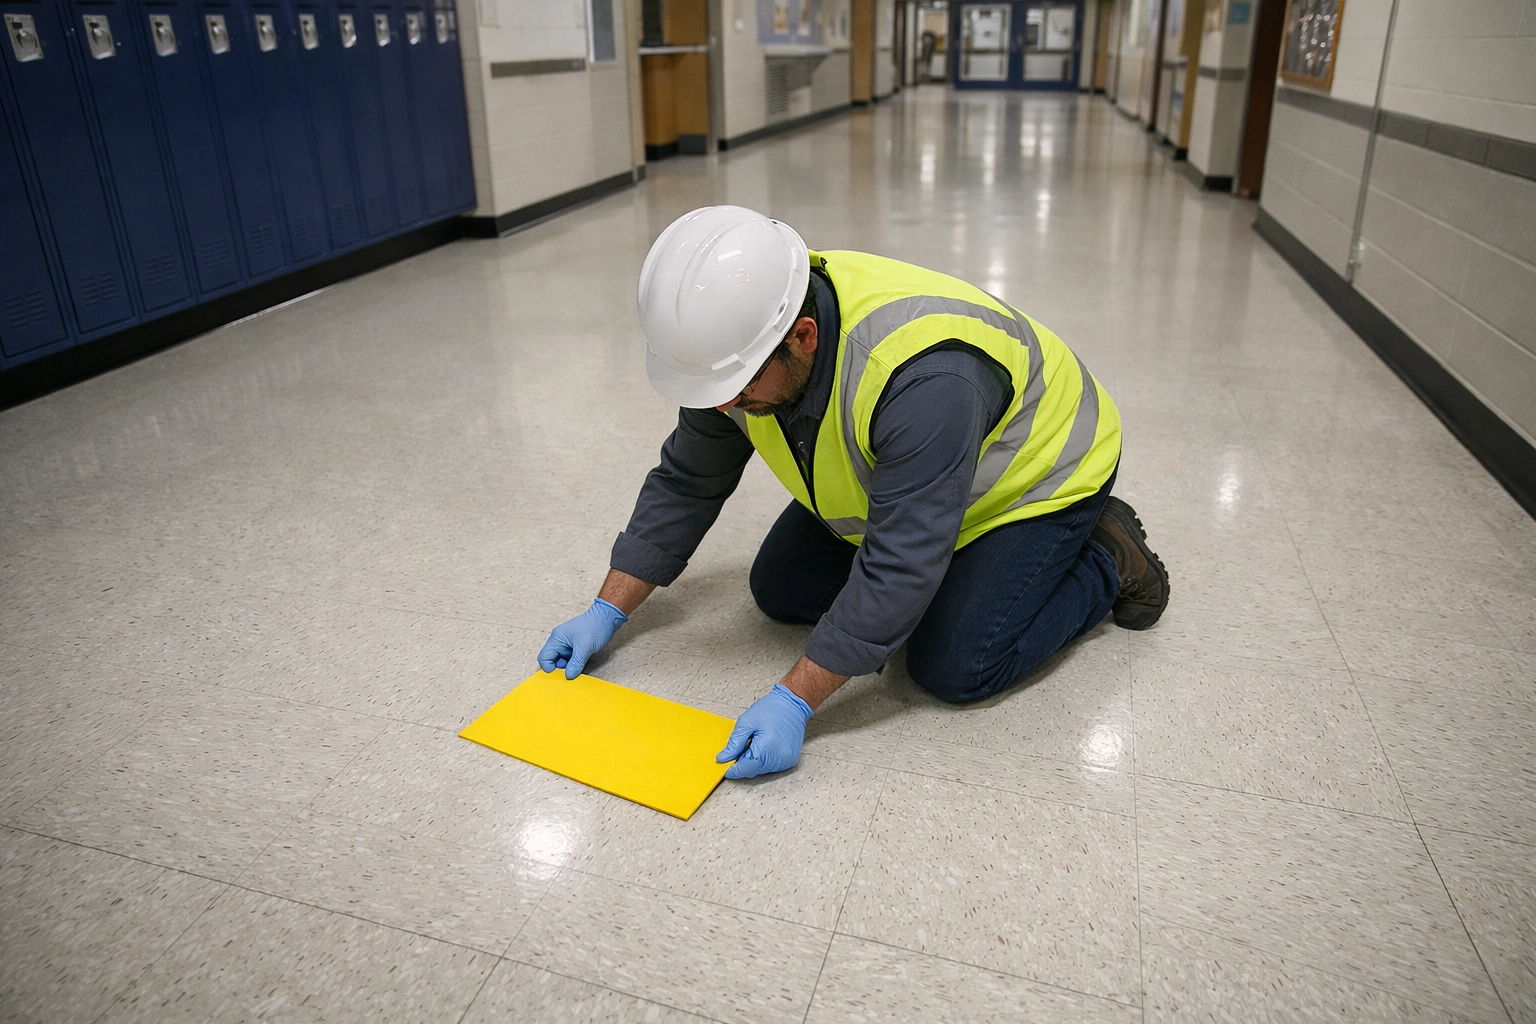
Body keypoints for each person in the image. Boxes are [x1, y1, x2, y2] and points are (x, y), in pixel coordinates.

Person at [538, 206, 1168, 780]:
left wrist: (795, 700)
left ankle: (1108, 556)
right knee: (779, 588)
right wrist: (608, 610)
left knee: (952, 663)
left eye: (739, 388)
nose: (727, 406)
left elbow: (901, 561)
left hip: (1037, 479)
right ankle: (953, 584)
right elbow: (687, 480)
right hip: (917, 479)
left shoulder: (923, 377)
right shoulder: (741, 347)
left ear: (804, 336)